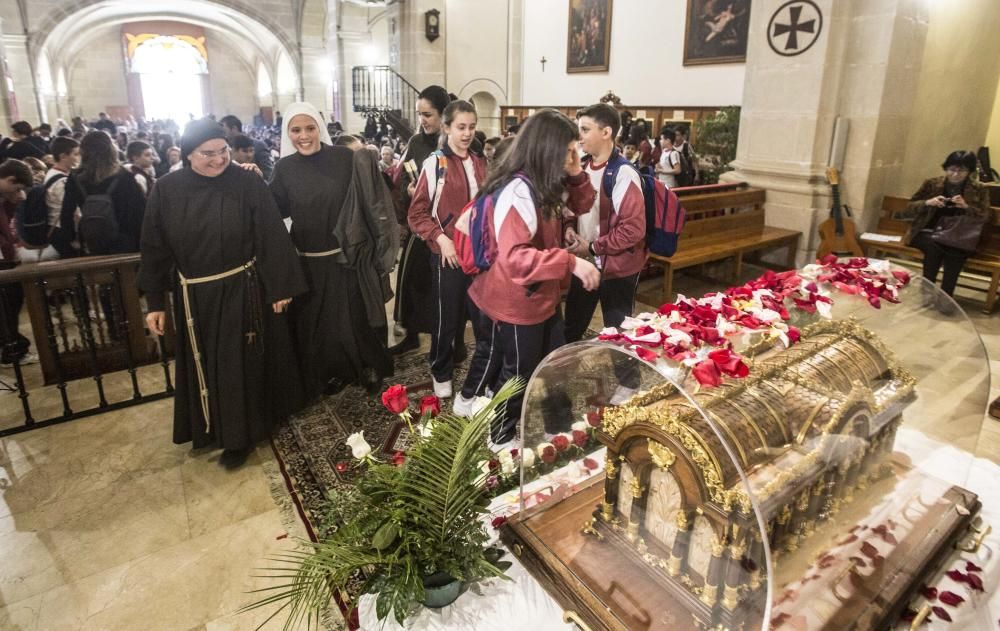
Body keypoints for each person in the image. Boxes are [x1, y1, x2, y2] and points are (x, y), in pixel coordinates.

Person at [139, 119, 307, 469]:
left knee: (236, 366)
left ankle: (238, 437)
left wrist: (279, 287)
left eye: (223, 151)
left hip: (242, 289)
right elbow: (154, 248)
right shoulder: (167, 189)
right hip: (194, 297)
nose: (218, 160)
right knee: (205, 363)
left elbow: (270, 234)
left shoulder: (246, 182)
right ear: (187, 155)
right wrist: (155, 302)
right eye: (208, 154)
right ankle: (206, 428)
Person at [464, 109, 599, 448]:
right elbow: (515, 259)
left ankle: (559, 428)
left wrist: (576, 171)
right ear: (548, 149)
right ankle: (500, 437)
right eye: (569, 150)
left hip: (542, 294)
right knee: (519, 374)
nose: (575, 155)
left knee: (555, 364)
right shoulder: (518, 192)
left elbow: (582, 203)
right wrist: (569, 262)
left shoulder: (545, 181)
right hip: (517, 298)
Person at [270, 102, 393, 398]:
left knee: (355, 318)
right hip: (308, 261)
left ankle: (367, 368)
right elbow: (273, 209)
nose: (304, 136)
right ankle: (331, 373)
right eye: (296, 130)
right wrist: (249, 181)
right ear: (288, 133)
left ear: (320, 128)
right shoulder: (283, 168)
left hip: (347, 257)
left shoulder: (342, 158)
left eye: (310, 128)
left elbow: (370, 194)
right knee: (319, 324)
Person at [564, 103, 647, 404]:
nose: (579, 136)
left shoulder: (623, 174)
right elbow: (573, 208)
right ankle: (558, 377)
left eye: (585, 129)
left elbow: (633, 229)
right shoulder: (583, 166)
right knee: (572, 323)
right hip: (586, 261)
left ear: (606, 132)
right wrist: (569, 230)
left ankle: (629, 383)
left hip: (617, 267)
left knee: (617, 327)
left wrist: (594, 246)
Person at [408, 100, 486, 399]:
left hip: (478, 256)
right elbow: (417, 214)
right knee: (446, 318)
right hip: (448, 255)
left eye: (471, 127)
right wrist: (442, 240)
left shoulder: (480, 161)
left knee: (481, 318)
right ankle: (441, 371)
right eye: (461, 127)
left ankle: (482, 374)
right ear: (448, 128)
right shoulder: (436, 163)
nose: (467, 134)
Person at [391, 85, 452, 355]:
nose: (422, 120)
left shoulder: (455, 141)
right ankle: (411, 335)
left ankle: (453, 343)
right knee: (412, 283)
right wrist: (409, 190)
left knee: (447, 290)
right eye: (419, 114)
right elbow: (404, 176)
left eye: (427, 114)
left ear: (443, 114)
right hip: (420, 226)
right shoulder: (416, 142)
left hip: (447, 228)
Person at [903, 150, 990, 299]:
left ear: (969, 171)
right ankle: (928, 292)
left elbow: (985, 216)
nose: (955, 174)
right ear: (946, 168)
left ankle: (946, 297)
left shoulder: (979, 189)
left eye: (961, 170)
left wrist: (966, 207)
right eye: (952, 169)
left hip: (961, 235)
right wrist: (928, 202)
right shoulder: (932, 184)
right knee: (934, 245)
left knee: (955, 250)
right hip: (927, 231)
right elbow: (909, 207)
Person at [61, 131, 146, 255]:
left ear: (83, 151)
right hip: (125, 239)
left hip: (92, 238)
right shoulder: (124, 175)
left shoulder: (75, 177)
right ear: (111, 149)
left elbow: (66, 212)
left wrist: (70, 240)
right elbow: (139, 211)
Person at [0, 159, 36, 366]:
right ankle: (11, 350)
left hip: (6, 257)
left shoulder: (5, 198)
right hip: (2, 260)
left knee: (11, 301)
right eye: (17, 187)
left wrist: (14, 198)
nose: (19, 193)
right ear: (10, 179)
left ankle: (12, 345)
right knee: (7, 304)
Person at [44, 136, 81, 258]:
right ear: (63, 156)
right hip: (63, 230)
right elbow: (72, 211)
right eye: (75, 154)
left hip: (58, 228)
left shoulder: (52, 173)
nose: (78, 158)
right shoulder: (61, 181)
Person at [220, 115, 274, 180]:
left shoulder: (258, 145)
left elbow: (269, 174)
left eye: (224, 131)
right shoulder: (225, 147)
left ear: (234, 128)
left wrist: (256, 174)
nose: (223, 134)